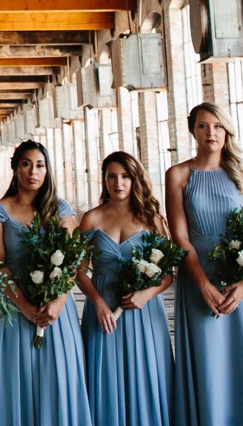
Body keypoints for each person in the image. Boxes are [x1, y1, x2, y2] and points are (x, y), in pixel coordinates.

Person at [165, 102, 243, 426]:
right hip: (198, 279)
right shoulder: (177, 174)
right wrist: (202, 283)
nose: (210, 133)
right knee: (208, 361)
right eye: (203, 126)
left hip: (242, 281)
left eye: (217, 126)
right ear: (193, 131)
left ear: (226, 130)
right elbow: (180, 236)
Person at [0, 140, 93, 426]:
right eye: (26, 164)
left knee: (59, 378)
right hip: (13, 308)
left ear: (48, 170)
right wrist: (26, 308)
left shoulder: (60, 208)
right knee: (17, 379)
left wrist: (56, 303)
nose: (33, 171)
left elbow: (72, 259)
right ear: (15, 168)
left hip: (56, 309)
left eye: (40, 165)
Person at [75, 150, 174, 426]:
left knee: (145, 376)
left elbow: (168, 273)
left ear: (135, 180)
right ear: (104, 180)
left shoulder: (151, 218)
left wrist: (147, 293)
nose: (118, 183)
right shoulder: (91, 219)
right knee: (104, 377)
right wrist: (97, 302)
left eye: (125, 177)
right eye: (112, 176)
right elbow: (78, 271)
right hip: (103, 309)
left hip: (144, 310)